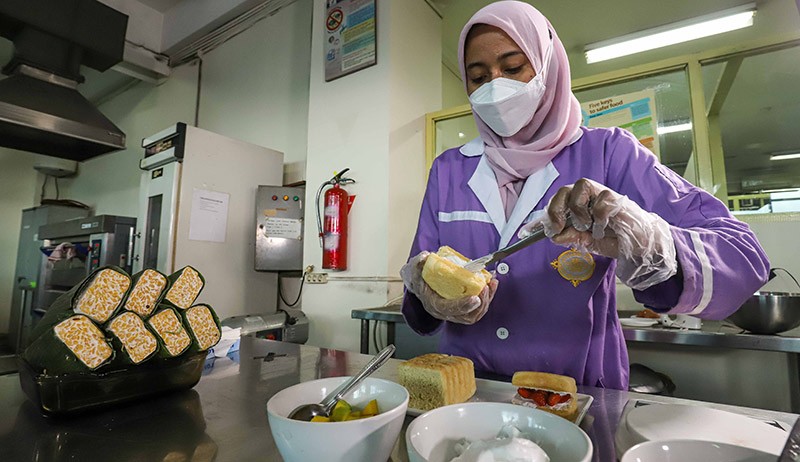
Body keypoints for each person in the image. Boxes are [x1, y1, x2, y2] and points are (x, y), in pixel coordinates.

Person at [400, 1, 769, 390]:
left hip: (579, 392)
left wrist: (651, 244)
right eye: (478, 77)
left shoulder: (610, 153)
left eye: (512, 69)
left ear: (548, 66)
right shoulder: (449, 169)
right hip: (469, 392)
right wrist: (430, 299)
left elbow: (743, 257)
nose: (495, 87)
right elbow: (420, 278)